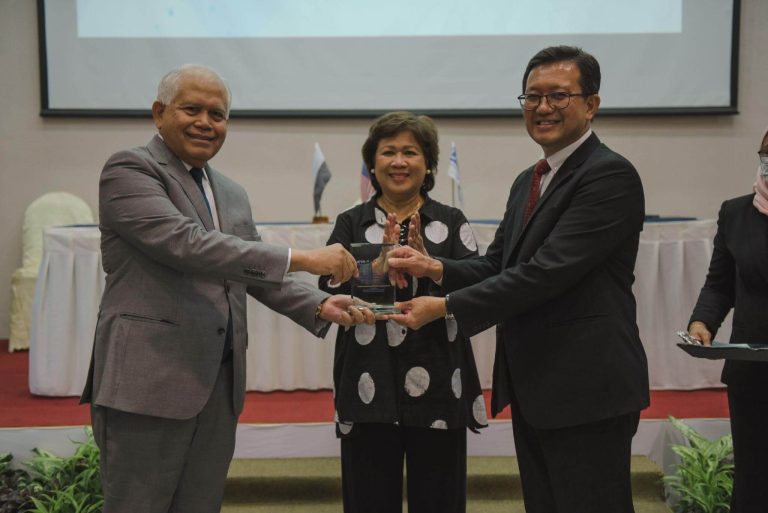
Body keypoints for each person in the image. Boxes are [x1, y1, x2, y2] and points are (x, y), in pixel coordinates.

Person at [80, 64, 374, 513]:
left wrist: (320, 302)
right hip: (148, 382)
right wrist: (305, 257)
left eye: (217, 114)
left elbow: (247, 266)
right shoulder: (130, 169)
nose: (205, 122)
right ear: (159, 113)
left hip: (217, 385)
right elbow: (188, 245)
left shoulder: (230, 191)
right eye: (192, 109)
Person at [386, 47, 649, 513]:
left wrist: (444, 307)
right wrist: (436, 269)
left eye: (558, 96)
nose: (542, 108)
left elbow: (545, 274)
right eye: (532, 96)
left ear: (592, 104)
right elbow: (498, 265)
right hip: (538, 384)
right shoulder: (530, 179)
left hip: (588, 388)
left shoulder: (609, 175)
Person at [319, 111, 487, 513]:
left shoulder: (450, 220)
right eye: (388, 152)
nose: (399, 161)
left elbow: (480, 284)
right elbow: (327, 287)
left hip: (441, 375)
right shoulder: (350, 221)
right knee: (369, 497)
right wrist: (375, 267)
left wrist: (434, 267)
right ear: (373, 163)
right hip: (367, 377)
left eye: (410, 152)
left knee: (439, 497)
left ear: (427, 163)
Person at [687, 128, 768, 513]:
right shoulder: (736, 212)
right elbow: (719, 285)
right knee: (754, 478)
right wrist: (702, 323)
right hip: (753, 372)